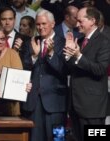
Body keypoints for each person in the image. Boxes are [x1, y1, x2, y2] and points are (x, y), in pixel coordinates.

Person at [20, 9, 68, 141]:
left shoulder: (63, 43)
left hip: (56, 103)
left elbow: (64, 70)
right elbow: (23, 68)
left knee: (58, 139)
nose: (40, 27)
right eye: (38, 24)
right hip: (34, 103)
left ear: (53, 24)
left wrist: (51, 54)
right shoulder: (31, 42)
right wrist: (34, 56)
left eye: (44, 24)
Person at [63, 7, 110, 141]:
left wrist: (78, 55)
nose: (77, 24)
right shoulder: (79, 40)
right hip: (75, 106)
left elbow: (100, 69)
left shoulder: (104, 41)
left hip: (93, 109)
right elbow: (71, 69)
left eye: (80, 20)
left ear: (92, 21)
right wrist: (68, 53)